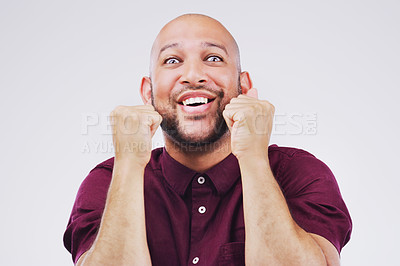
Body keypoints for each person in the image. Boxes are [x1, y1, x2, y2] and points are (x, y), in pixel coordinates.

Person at [64, 13, 352, 265]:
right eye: (173, 60)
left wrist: (253, 157)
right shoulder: (105, 182)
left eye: (213, 58)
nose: (193, 75)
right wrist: (127, 164)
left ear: (244, 87)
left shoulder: (300, 173)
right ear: (147, 93)